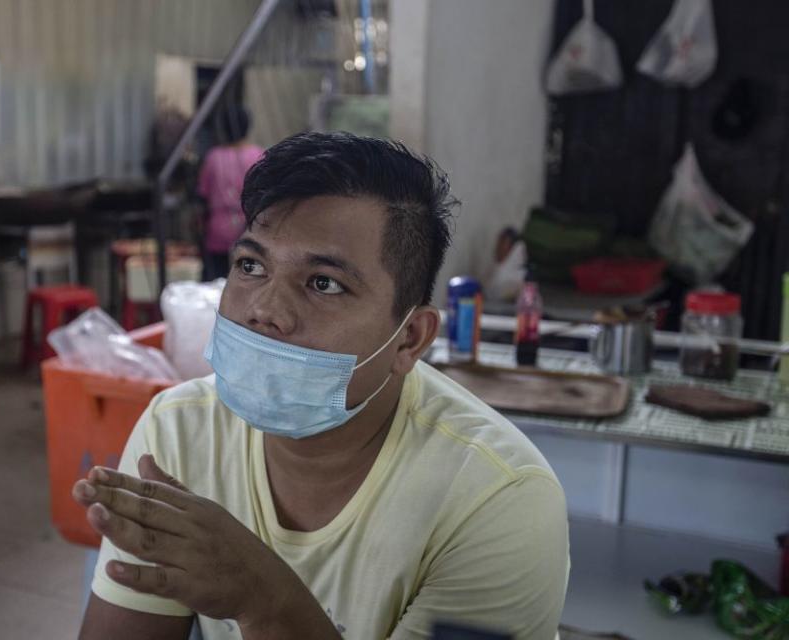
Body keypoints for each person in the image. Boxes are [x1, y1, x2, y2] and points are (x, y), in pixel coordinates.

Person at [73, 132, 569, 640]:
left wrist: (263, 598)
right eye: (250, 265)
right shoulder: (177, 431)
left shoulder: (497, 499)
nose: (265, 309)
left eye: (324, 283)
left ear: (410, 339)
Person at [196, 105, 264, 281]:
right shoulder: (258, 156)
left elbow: (202, 196)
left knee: (215, 283)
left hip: (217, 231)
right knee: (248, 281)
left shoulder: (213, 157)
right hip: (250, 230)